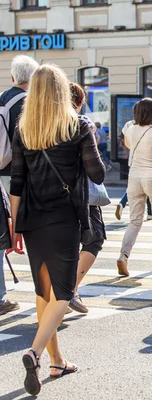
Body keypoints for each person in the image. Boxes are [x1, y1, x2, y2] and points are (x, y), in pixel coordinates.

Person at [10, 64, 105, 395]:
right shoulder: (77, 126)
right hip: (64, 219)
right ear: (62, 91)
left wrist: (15, 225)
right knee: (63, 294)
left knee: (43, 292)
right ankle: (35, 354)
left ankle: (57, 361)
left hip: (32, 220)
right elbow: (98, 174)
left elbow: (18, 183)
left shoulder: (25, 130)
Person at [116, 98, 152, 276]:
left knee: (135, 221)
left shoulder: (131, 130)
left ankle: (123, 256)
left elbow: (128, 145)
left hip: (134, 178)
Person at [0, 55, 38, 316]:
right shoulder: (29, 104)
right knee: (34, 232)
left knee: (4, 233)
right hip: (20, 175)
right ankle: (51, 293)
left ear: (13, 77)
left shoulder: (2, 98)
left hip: (1, 175)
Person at [68, 83, 107, 314]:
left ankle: (63, 292)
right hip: (83, 193)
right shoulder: (83, 125)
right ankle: (70, 289)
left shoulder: (41, 124)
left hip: (49, 197)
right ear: (81, 102)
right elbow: (97, 171)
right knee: (94, 239)